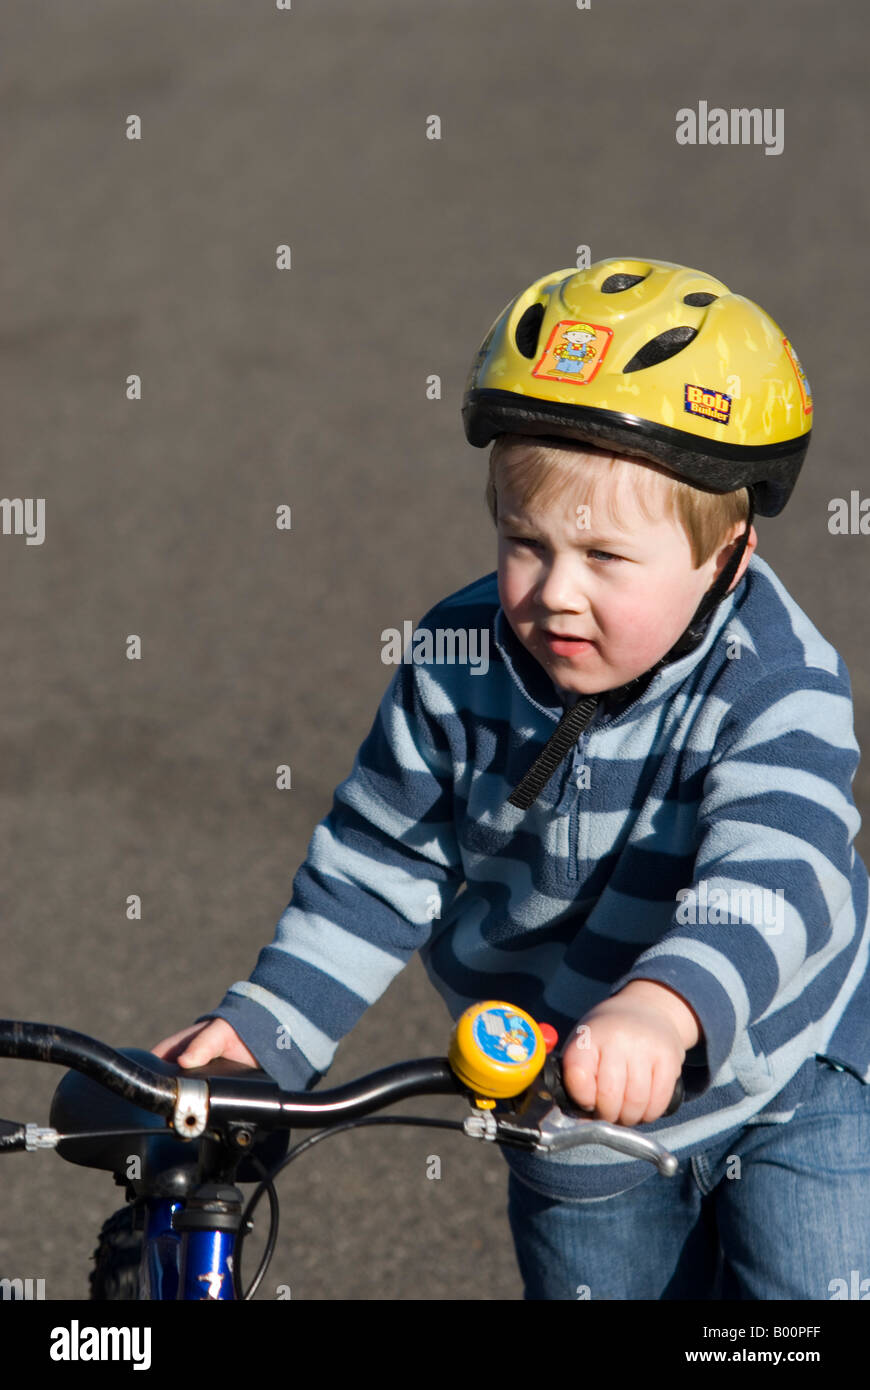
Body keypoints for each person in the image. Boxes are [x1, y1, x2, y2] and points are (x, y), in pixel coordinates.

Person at [154, 258, 870, 1299]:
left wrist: (665, 1008)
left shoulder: (774, 681)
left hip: (787, 1071)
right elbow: (380, 859)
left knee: (810, 1292)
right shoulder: (458, 664)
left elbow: (777, 867)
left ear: (732, 553)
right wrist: (268, 1027)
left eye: (606, 558)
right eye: (524, 543)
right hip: (562, 1089)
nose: (555, 596)